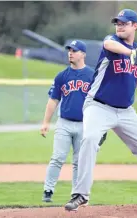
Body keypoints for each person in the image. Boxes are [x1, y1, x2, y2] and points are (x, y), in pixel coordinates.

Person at [64, 9, 137, 211]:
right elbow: (108, 44)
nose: (119, 26)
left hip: (126, 112)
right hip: (98, 106)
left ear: (135, 26)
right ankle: (80, 194)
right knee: (89, 140)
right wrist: (131, 52)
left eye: (124, 23)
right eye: (117, 23)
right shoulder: (113, 43)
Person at [40, 40, 107, 202]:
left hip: (85, 125)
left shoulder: (92, 75)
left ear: (83, 54)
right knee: (57, 157)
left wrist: (102, 126)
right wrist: (45, 122)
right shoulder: (62, 76)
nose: (70, 53)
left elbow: (101, 101)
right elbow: (53, 100)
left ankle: (77, 194)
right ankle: (48, 190)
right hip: (64, 123)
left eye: (74, 50)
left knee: (79, 162)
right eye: (69, 50)